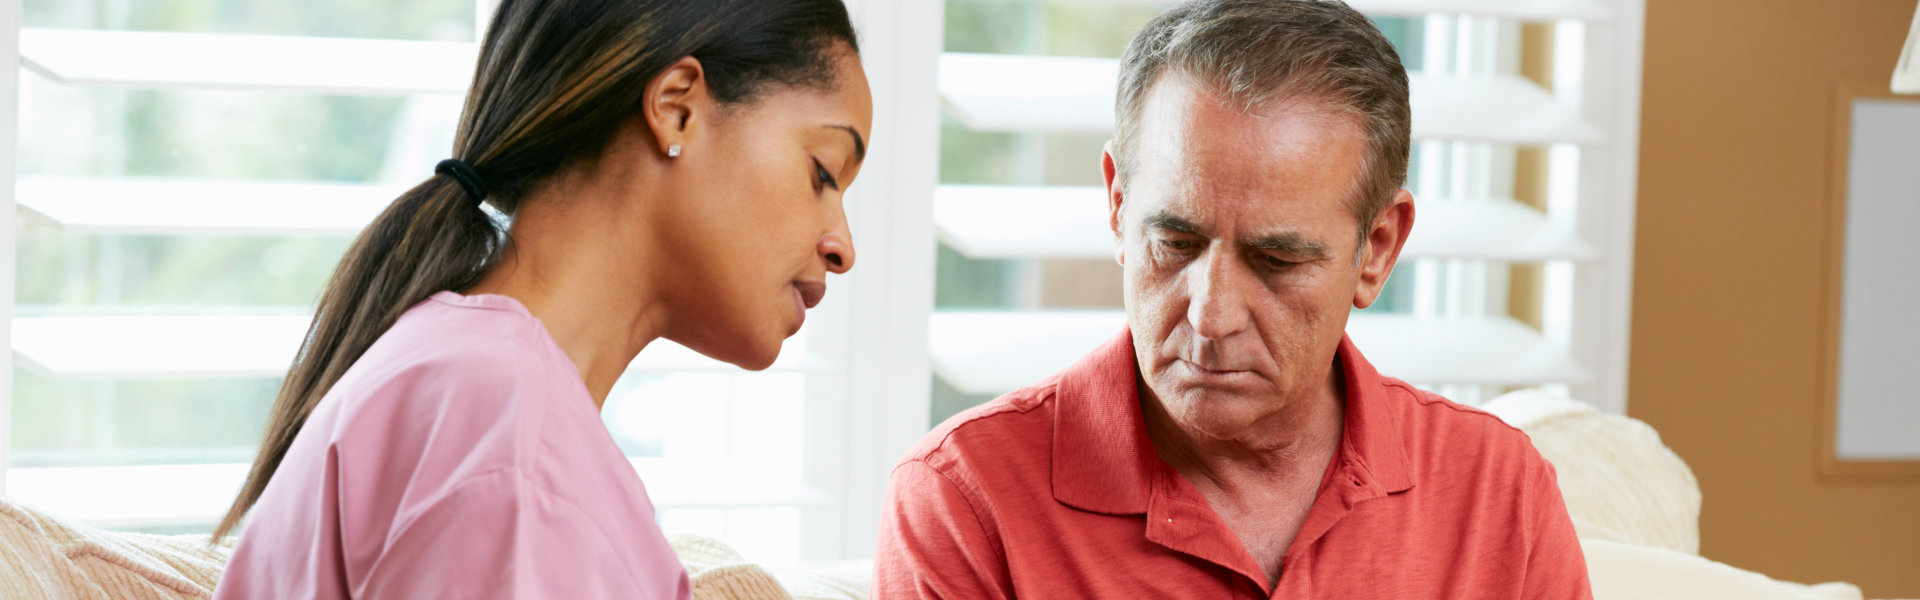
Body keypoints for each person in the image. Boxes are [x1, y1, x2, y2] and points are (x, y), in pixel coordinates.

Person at [872, 0, 1590, 598]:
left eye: (1277, 260)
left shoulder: (1498, 491)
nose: (1210, 315)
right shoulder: (967, 501)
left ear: (1376, 251)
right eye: (1176, 244)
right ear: (1119, 205)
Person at [211, 0, 870, 597]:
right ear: (677, 107)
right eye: (823, 174)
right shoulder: (508, 437)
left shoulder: (472, 385)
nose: (842, 245)